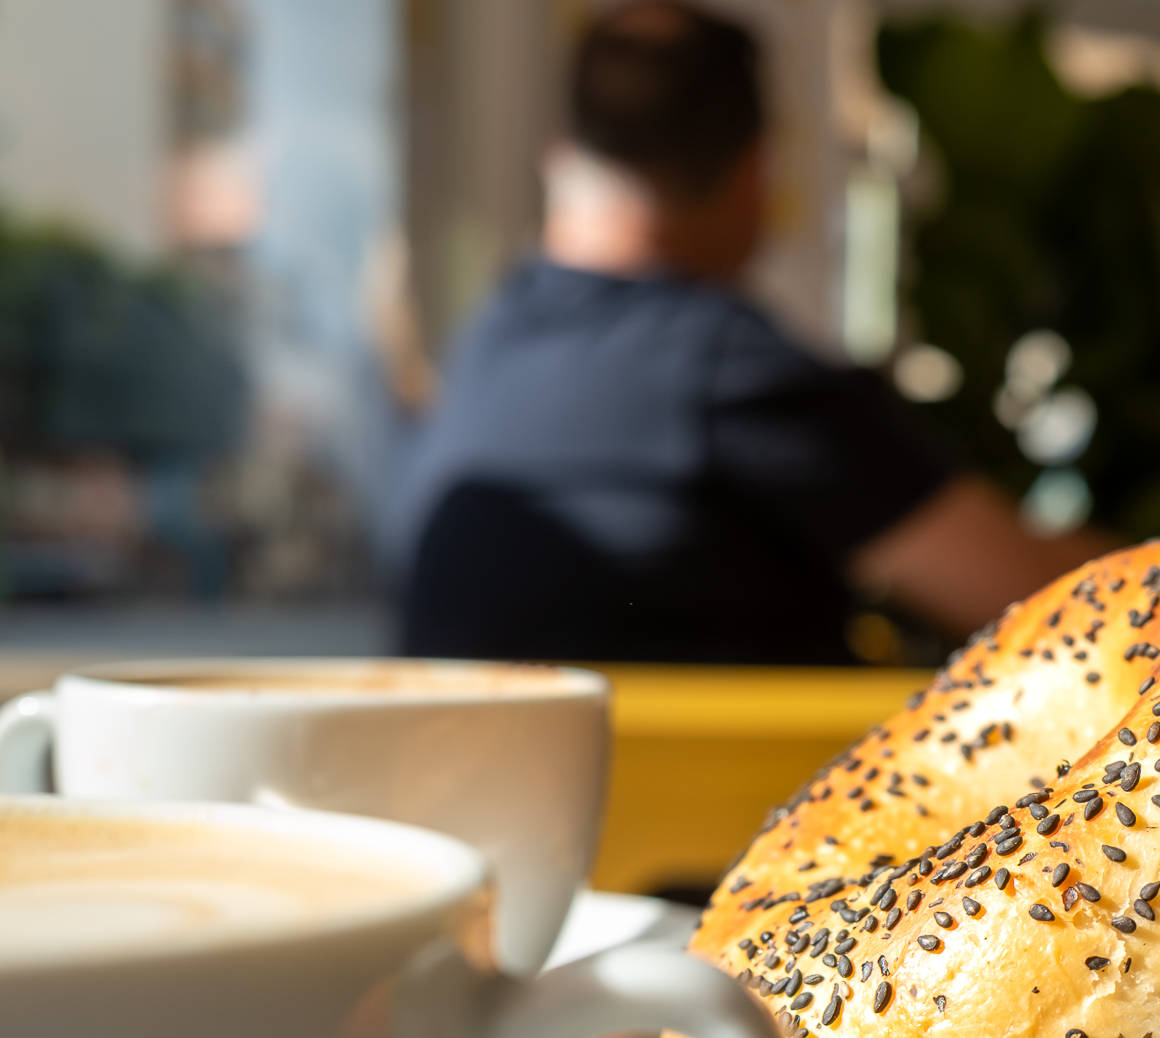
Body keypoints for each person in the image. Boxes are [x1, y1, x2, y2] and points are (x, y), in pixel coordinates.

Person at [395, 1, 1103, 664]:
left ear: (557, 159)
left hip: (490, 788)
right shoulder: (723, 372)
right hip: (714, 795)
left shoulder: (490, 344)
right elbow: (1058, 606)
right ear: (754, 172)